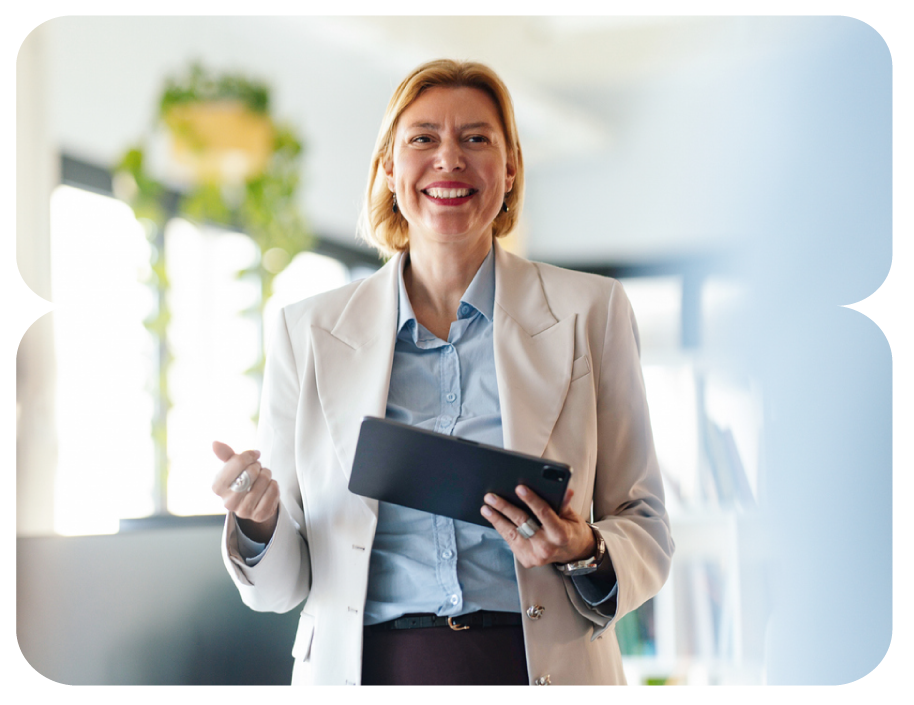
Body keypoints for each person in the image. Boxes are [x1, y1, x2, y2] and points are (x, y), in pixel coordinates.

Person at [211, 59, 673, 700]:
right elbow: (284, 586)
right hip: (369, 679)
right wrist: (259, 525)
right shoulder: (308, 332)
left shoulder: (590, 312)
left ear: (509, 170)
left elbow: (644, 524)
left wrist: (583, 547)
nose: (448, 159)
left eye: (476, 139)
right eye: (422, 138)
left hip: (539, 676)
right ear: (389, 170)